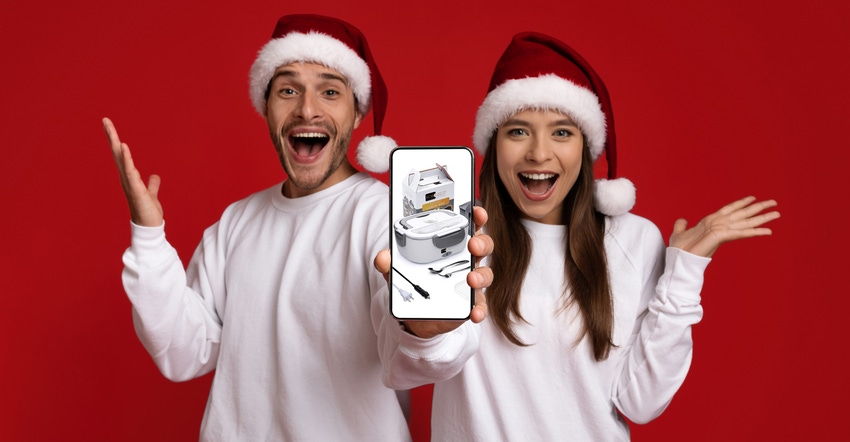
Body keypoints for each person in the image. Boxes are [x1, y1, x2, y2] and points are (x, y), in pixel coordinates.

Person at [103, 14, 493, 440]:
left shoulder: (382, 217)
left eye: (329, 91)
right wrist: (149, 236)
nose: (307, 109)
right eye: (287, 90)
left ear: (357, 112)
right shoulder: (236, 223)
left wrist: (426, 329)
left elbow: (405, 362)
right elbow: (182, 352)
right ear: (266, 107)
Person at [377, 32, 780, 440]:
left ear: (586, 146)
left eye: (562, 132)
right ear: (493, 144)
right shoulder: (459, 237)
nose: (538, 153)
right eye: (517, 131)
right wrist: (423, 328)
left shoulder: (635, 240)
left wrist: (684, 274)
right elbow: (406, 370)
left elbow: (641, 402)